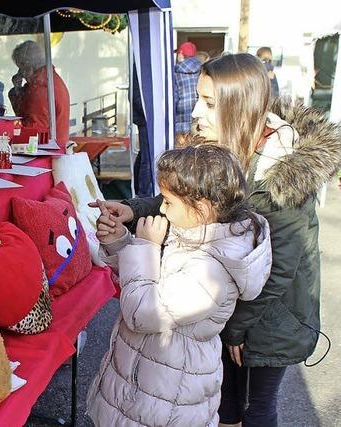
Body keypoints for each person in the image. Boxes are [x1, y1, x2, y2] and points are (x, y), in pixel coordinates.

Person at [91, 53, 341, 426]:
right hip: (222, 312)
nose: (195, 112)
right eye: (198, 99)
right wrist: (133, 208)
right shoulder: (223, 148)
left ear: (238, 106)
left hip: (271, 322)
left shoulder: (282, 171)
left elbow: (283, 268)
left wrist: (237, 329)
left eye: (208, 103)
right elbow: (186, 197)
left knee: (256, 407)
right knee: (223, 406)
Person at [86, 144, 272, 426]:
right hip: (149, 385)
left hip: (166, 401)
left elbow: (142, 312)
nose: (161, 208)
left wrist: (146, 246)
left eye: (169, 202)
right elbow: (151, 281)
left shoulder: (211, 272)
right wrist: (120, 241)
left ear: (203, 208)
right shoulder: (194, 233)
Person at [8, 40, 71, 145]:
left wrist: (7, 131)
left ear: (28, 67)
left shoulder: (41, 88)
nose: (20, 74)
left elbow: (33, 130)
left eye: (21, 68)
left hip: (48, 151)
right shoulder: (48, 79)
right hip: (55, 147)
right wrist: (17, 89)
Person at [174, 41, 202, 136]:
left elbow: (173, 102)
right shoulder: (204, 71)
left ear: (181, 54)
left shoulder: (175, 73)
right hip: (199, 126)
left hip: (180, 128)